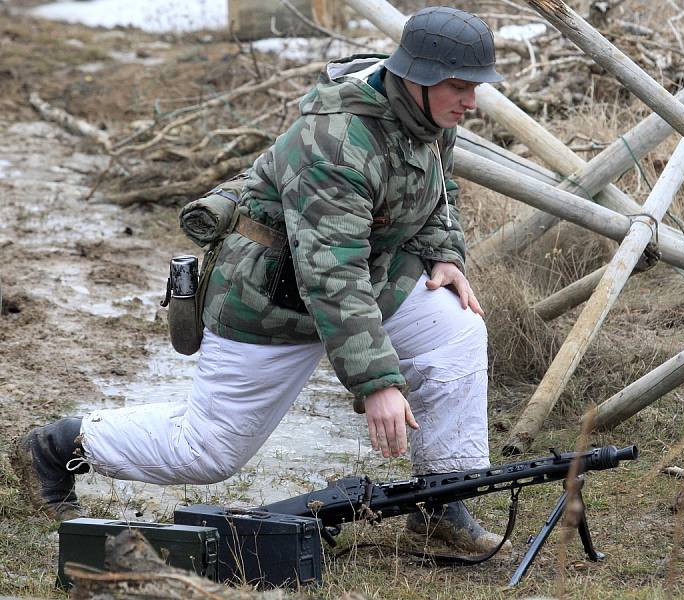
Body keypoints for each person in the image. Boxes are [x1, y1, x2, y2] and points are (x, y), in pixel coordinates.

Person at [13, 6, 507, 554]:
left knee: (455, 327)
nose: (472, 101)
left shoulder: (428, 117)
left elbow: (439, 189)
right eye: (461, 87)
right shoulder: (337, 140)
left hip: (364, 276)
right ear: (416, 78)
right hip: (270, 295)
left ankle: (440, 501)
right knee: (208, 453)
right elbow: (330, 271)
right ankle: (57, 446)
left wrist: (444, 254)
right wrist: (377, 383)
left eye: (475, 87)